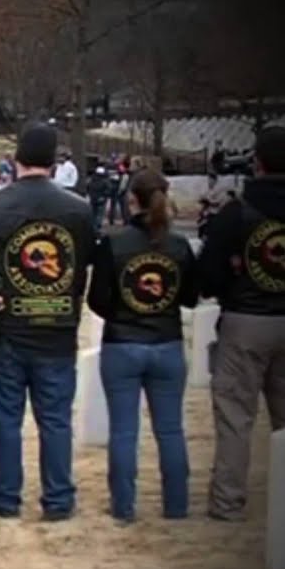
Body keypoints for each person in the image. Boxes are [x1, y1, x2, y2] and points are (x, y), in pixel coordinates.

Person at [0, 124, 95, 521]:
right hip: (56, 326)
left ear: (16, 159)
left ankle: (6, 495)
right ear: (54, 162)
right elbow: (84, 260)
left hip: (5, 327)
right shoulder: (78, 209)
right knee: (55, 419)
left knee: (5, 417)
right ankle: (58, 497)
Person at [87, 169, 199, 524]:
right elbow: (191, 298)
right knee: (170, 429)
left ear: (130, 198)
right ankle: (176, 506)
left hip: (123, 342)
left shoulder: (113, 242)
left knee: (124, 430)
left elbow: (97, 299)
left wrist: (123, 312)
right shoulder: (178, 246)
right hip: (166, 340)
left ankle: (123, 506)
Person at [198, 124, 285, 522]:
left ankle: (229, 501)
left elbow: (208, 275)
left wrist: (233, 283)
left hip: (246, 318)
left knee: (235, 417)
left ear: (258, 163)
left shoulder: (235, 214)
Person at [86, 165, 113, 235]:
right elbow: (109, 189)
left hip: (93, 199)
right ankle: (97, 228)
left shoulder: (91, 179)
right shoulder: (105, 181)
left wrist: (90, 195)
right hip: (101, 199)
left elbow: (88, 188)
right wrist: (104, 196)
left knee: (93, 213)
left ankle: (93, 227)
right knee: (99, 214)